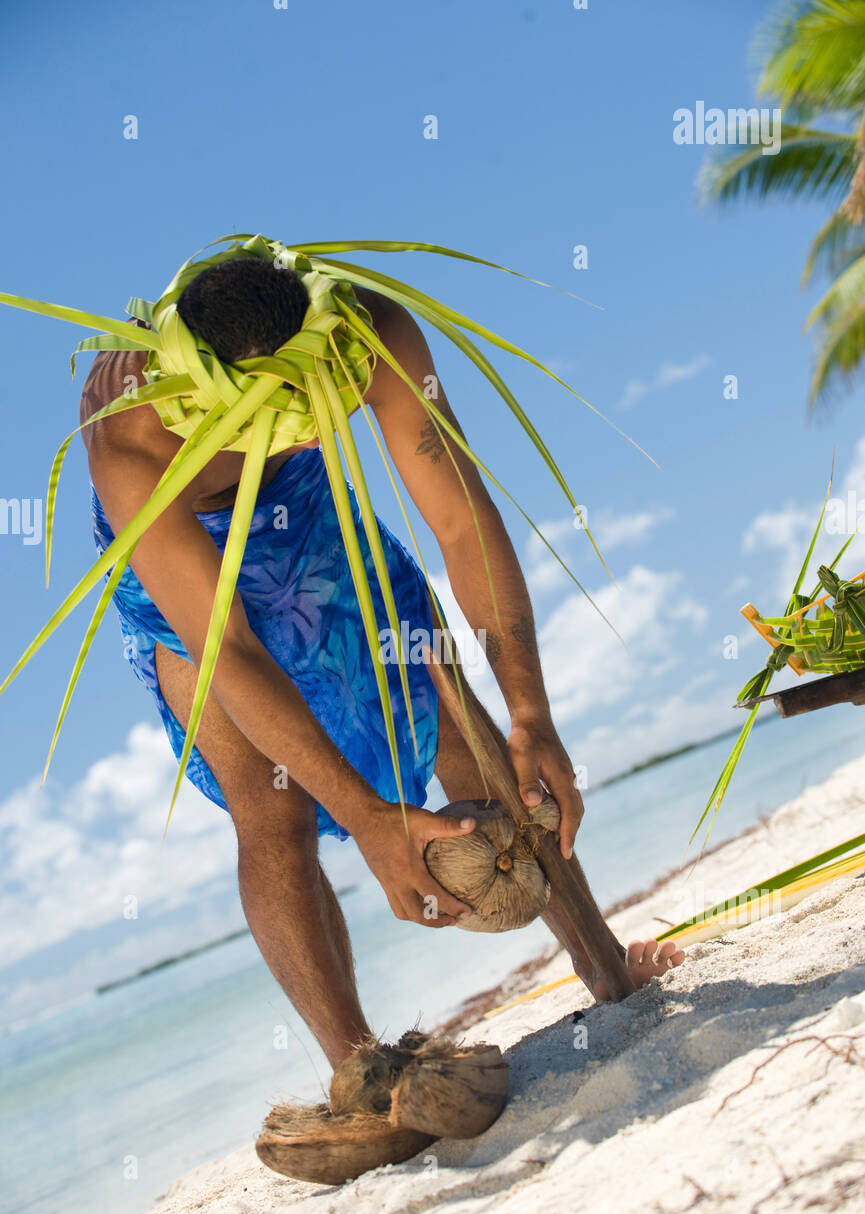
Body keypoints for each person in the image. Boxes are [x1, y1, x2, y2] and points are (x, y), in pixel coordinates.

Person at [81, 255, 684, 1074]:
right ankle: (360, 1069)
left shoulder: (367, 331)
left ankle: (604, 968)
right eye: (269, 405)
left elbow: (462, 525)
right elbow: (228, 646)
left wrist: (531, 711)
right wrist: (368, 818)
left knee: (460, 728)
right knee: (273, 811)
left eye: (305, 397)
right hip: (188, 568)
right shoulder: (130, 430)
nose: (295, 413)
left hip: (313, 515)